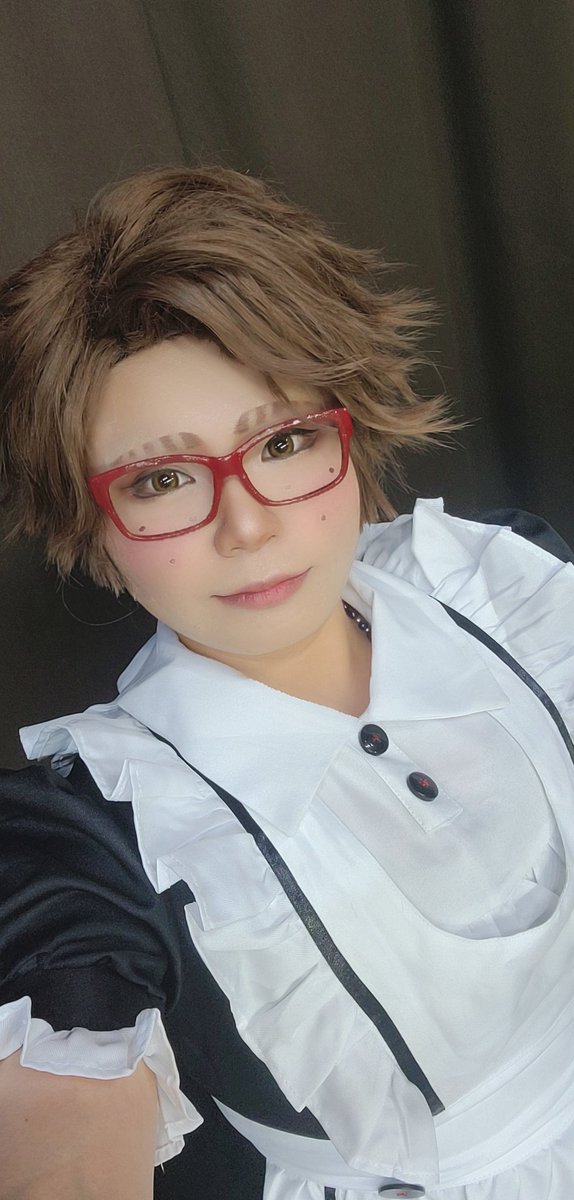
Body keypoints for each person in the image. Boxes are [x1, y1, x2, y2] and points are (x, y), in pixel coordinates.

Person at [0, 164, 573, 1200]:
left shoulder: (496, 581)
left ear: (349, 432)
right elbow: (60, 1101)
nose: (248, 524)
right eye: (161, 479)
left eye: (284, 440)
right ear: (90, 523)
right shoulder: (97, 830)